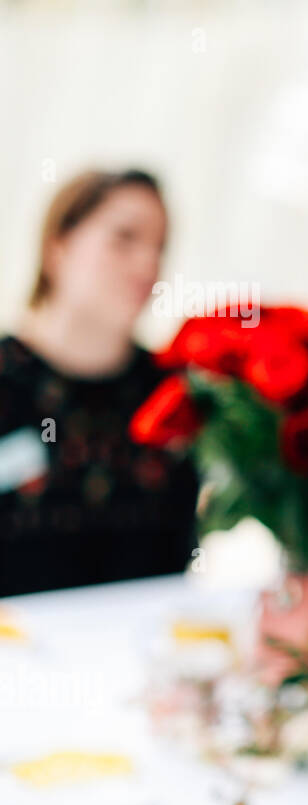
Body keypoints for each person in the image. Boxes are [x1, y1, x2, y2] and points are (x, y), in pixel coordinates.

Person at [0, 169, 198, 596]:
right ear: (59, 245)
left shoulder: (174, 394)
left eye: (159, 247)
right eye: (125, 238)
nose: (148, 264)